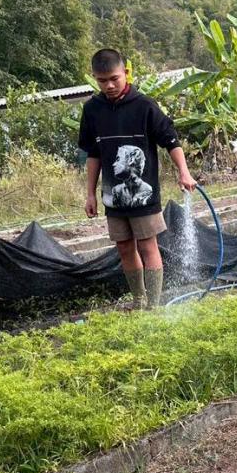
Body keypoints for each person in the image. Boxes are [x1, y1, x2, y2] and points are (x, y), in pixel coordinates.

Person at [79, 48, 197, 308]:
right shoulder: (92, 110)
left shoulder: (144, 106)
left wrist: (184, 171)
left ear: (126, 73)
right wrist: (90, 193)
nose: (109, 85)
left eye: (114, 78)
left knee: (147, 245)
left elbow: (171, 141)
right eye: (102, 80)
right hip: (113, 195)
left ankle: (153, 305)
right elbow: (93, 154)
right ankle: (138, 299)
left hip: (144, 196)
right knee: (124, 247)